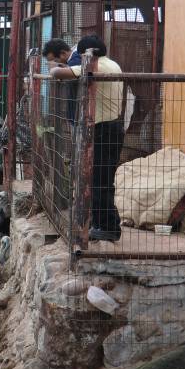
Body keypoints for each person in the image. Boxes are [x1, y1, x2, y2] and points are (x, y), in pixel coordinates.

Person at [50, 35, 124, 242]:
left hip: (103, 129)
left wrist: (55, 66)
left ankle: (108, 227)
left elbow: (58, 73)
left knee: (100, 180)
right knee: (101, 180)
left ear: (85, 54)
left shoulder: (94, 66)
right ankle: (103, 222)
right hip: (110, 126)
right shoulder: (113, 64)